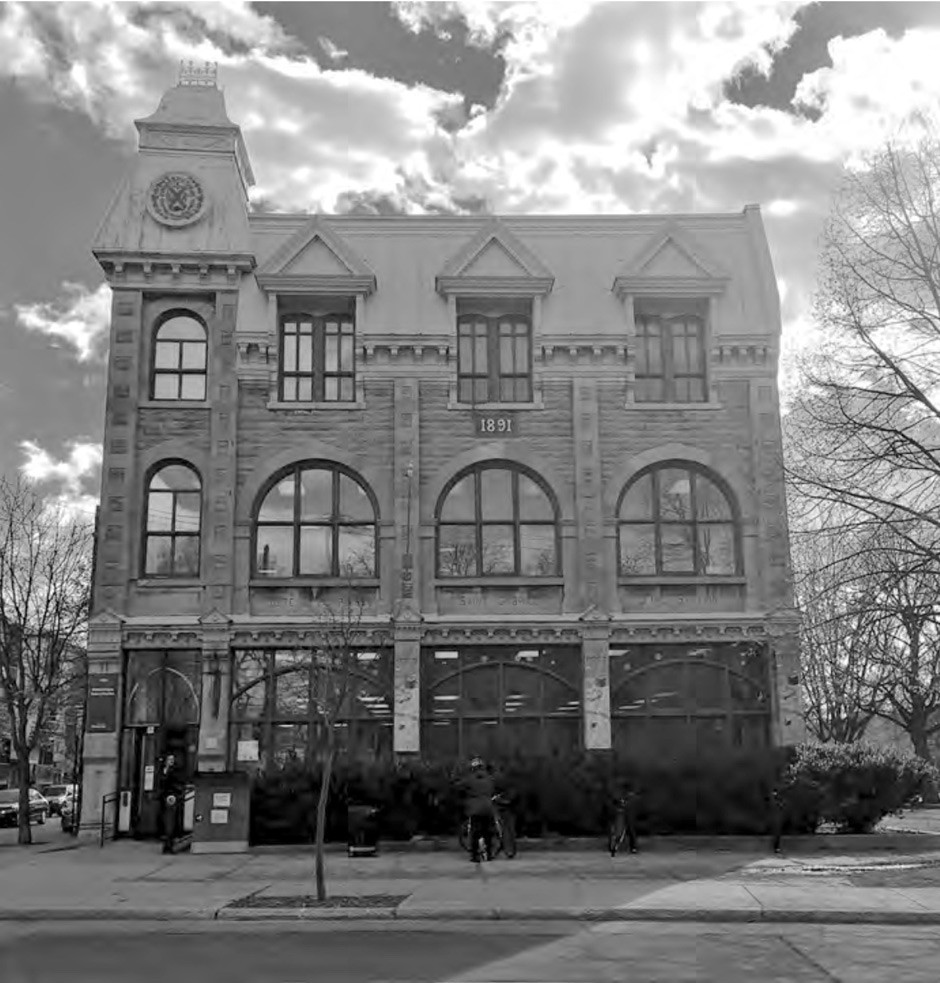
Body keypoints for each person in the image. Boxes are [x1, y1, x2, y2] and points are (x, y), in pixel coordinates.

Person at [461, 756, 496, 862]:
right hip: (488, 808)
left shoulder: (470, 779)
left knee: (475, 832)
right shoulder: (489, 778)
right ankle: (489, 854)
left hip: (475, 809)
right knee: (488, 832)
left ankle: (475, 856)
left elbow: (459, 786)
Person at [160, 753, 184, 855]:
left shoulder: (174, 771)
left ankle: (169, 845)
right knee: (166, 822)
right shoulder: (162, 770)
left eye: (172, 759)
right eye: (169, 759)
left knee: (171, 822)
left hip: (172, 797)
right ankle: (166, 845)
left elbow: (177, 783)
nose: (171, 761)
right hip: (164, 798)